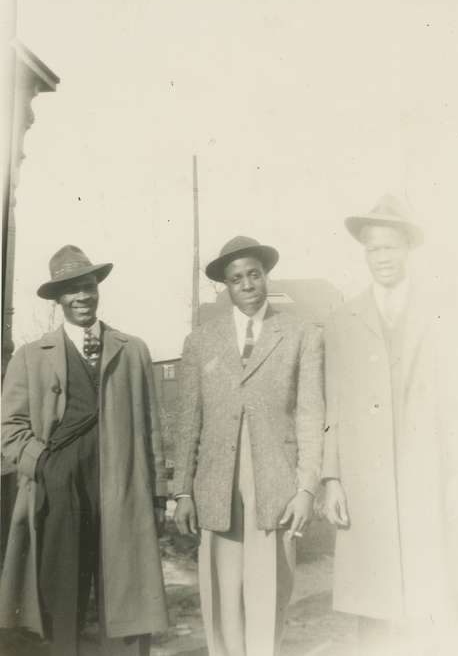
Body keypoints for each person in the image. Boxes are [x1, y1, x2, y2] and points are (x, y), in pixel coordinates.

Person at [0, 245, 168, 656]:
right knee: (63, 595)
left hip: (121, 486)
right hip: (59, 488)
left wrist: (159, 493)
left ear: (98, 289)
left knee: (126, 590)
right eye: (72, 290)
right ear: (58, 299)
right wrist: (44, 464)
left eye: (88, 286)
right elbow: (8, 428)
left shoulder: (133, 350)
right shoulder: (29, 357)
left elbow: (152, 428)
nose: (82, 297)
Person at [321, 195, 458, 654]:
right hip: (367, 484)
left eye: (390, 248)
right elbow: (333, 407)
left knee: (431, 597)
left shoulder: (443, 312)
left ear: (408, 249)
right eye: (373, 250)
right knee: (375, 604)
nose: (381, 258)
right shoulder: (343, 320)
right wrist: (332, 477)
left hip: (428, 478)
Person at [173, 235, 324, 656]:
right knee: (223, 587)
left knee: (271, 585)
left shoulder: (298, 334)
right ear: (226, 285)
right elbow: (188, 422)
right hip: (218, 483)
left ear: (265, 276)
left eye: (254, 274)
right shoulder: (202, 340)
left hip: (274, 479)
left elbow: (312, 414)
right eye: (236, 278)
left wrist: (306, 488)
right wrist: (182, 490)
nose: (247, 284)